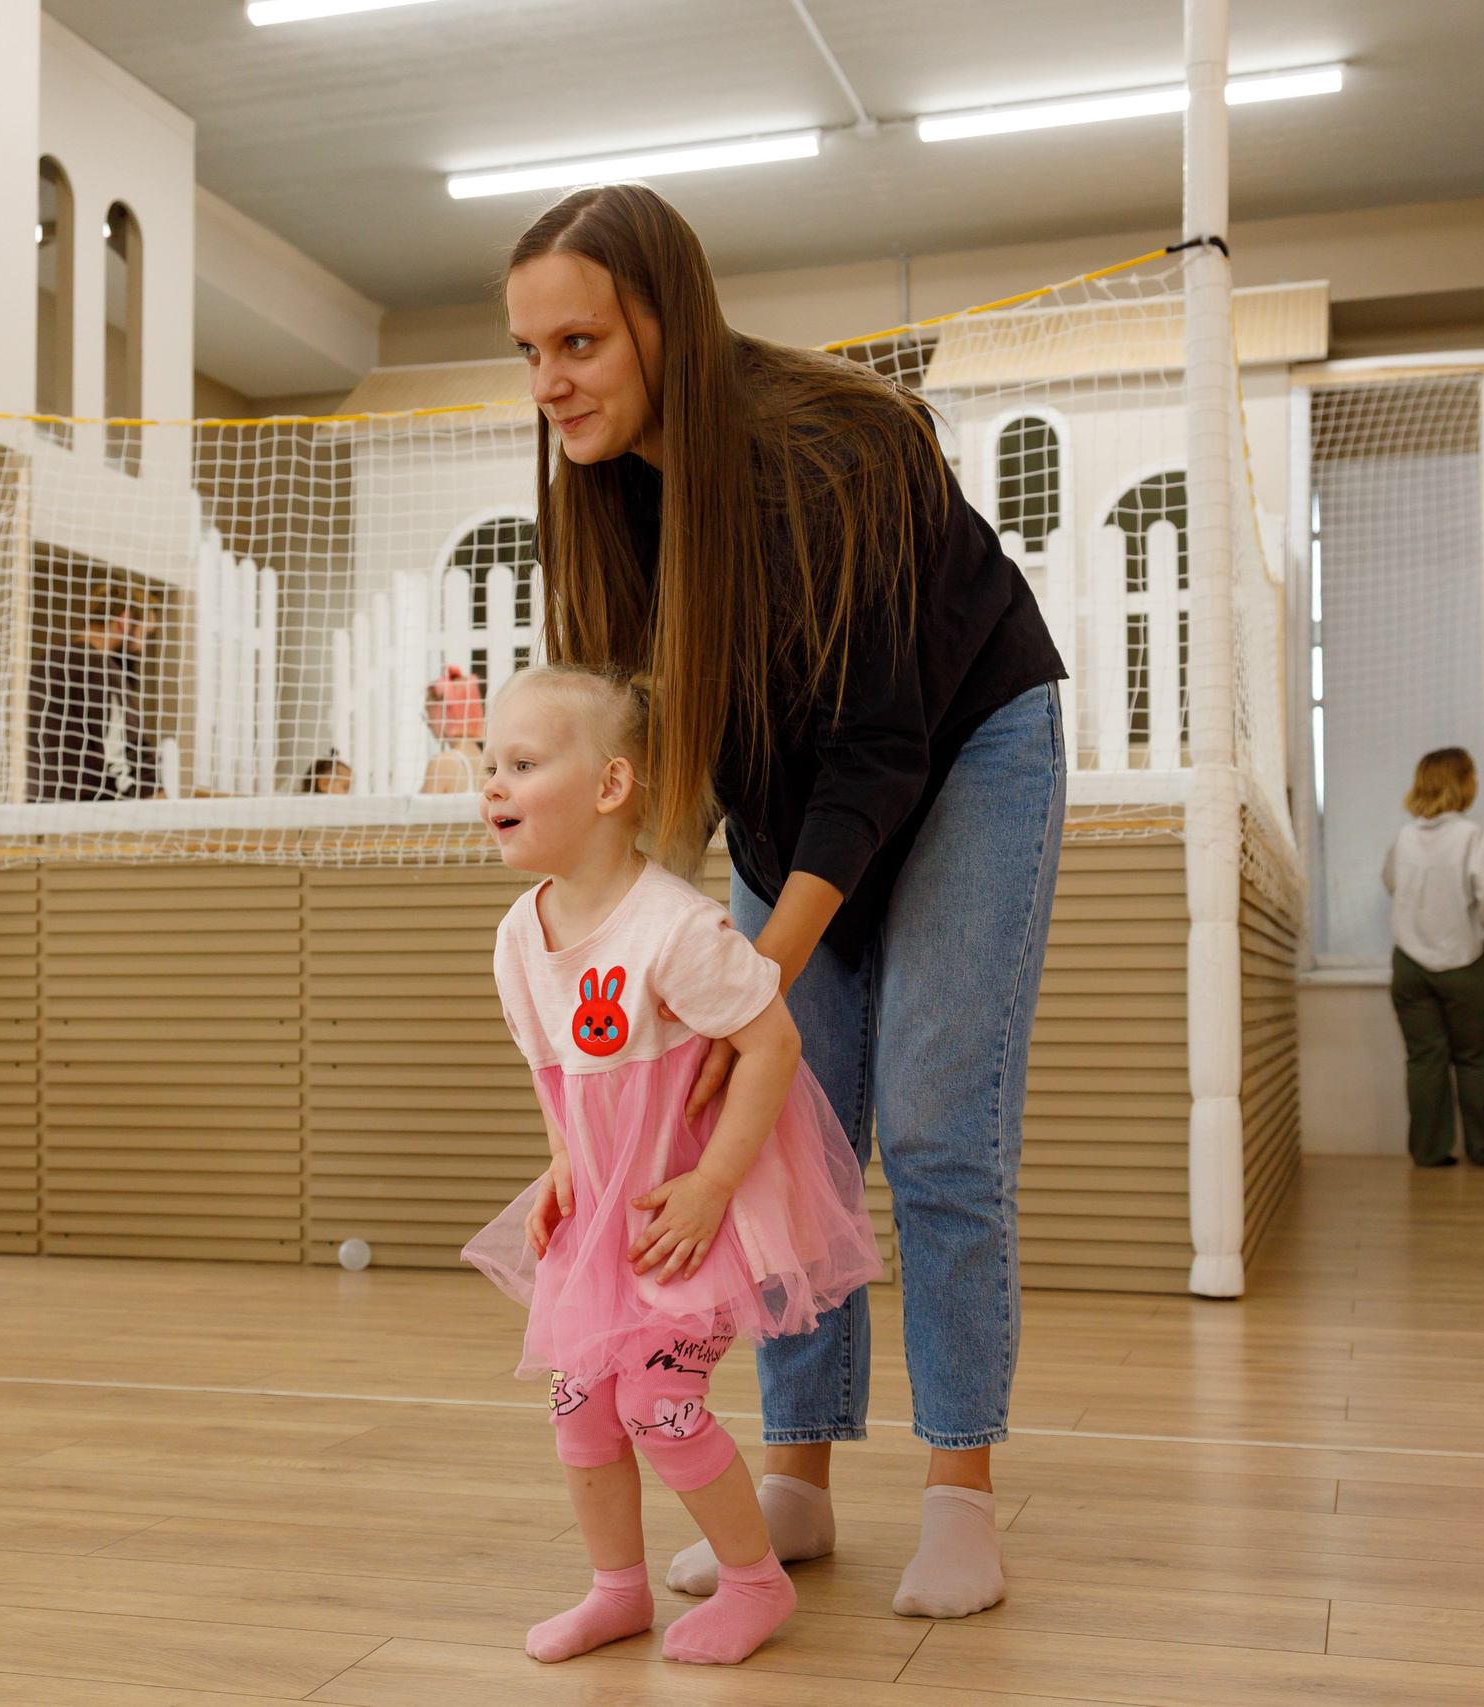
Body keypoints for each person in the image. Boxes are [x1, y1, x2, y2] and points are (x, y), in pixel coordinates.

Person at [504, 184, 1066, 1620]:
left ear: (662, 319)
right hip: (790, 786)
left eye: (577, 342)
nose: (550, 382)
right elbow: (654, 762)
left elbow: (878, 743)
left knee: (937, 1122)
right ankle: (798, 1476)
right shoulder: (606, 490)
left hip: (961, 750)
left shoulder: (839, 445)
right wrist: (654, 964)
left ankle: (958, 1485)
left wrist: (747, 984)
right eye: (529, 352)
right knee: (779, 1139)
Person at [462, 664, 882, 1666]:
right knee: (581, 1403)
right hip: (606, 1205)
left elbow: (772, 1046)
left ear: (610, 787)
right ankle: (616, 1591)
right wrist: (564, 1160)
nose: (491, 785)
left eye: (520, 764)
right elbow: (554, 1070)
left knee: (659, 1400)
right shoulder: (520, 938)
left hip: (692, 1202)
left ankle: (754, 1583)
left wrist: (711, 1186)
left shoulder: (676, 930)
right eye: (486, 765)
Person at [1384, 748, 1484, 1168]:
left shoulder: (1404, 837)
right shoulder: (1472, 836)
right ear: (1463, 783)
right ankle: (1481, 1148)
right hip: (1464, 962)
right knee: (1475, 1058)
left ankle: (1428, 1150)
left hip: (1408, 964)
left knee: (1425, 1059)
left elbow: (1391, 881)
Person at [29, 600, 159, 802]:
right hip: (92, 811)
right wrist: (153, 794)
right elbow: (126, 749)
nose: (142, 647)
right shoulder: (101, 668)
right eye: (143, 634)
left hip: (42, 804)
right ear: (124, 621)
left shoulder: (45, 662)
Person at [420, 663, 486, 792]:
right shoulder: (489, 765)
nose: (428, 723)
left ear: (446, 709)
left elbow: (421, 812)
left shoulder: (441, 764)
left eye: (428, 712)